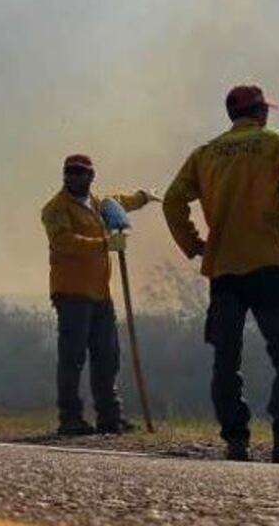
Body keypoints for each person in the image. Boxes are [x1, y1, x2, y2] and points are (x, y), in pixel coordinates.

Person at [163, 84, 279, 463]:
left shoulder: (205, 153)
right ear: (261, 112)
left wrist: (194, 244)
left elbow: (171, 201)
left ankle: (236, 441)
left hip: (224, 269)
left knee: (226, 358)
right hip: (267, 264)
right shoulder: (275, 142)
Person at [40, 154, 159, 436]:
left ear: (91, 176)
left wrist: (143, 196)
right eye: (70, 172)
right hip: (71, 293)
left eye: (80, 172)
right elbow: (63, 242)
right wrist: (105, 244)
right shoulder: (55, 208)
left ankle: (110, 417)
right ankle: (70, 418)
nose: (74, 177)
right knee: (73, 358)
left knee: (108, 356)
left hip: (100, 293)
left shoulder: (98, 203)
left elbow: (121, 202)